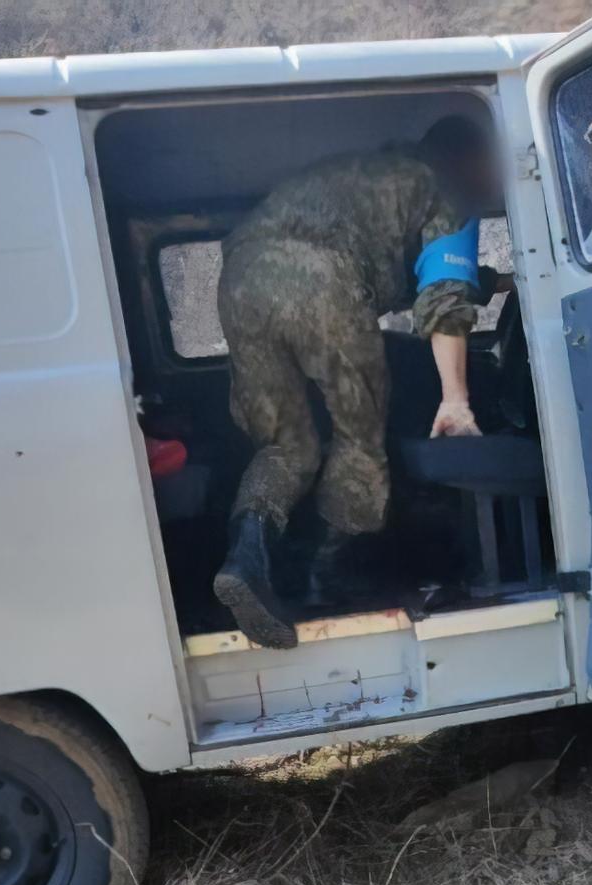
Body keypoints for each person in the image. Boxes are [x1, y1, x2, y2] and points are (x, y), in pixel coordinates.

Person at [213, 115, 507, 648]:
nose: (500, 178)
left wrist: (492, 280)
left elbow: (408, 264)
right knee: (360, 441)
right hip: (323, 285)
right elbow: (442, 297)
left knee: (287, 445)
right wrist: (456, 400)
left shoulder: (368, 170)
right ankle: (324, 581)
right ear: (468, 159)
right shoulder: (449, 192)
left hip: (240, 278)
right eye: (496, 164)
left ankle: (246, 559)